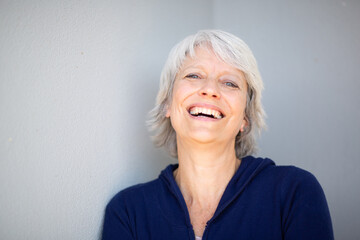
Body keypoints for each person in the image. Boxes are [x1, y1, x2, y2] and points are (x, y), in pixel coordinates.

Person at [102, 30, 334, 240]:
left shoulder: (294, 192)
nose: (210, 89)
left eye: (230, 83)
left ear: (245, 117)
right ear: (167, 105)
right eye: (193, 76)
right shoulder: (127, 211)